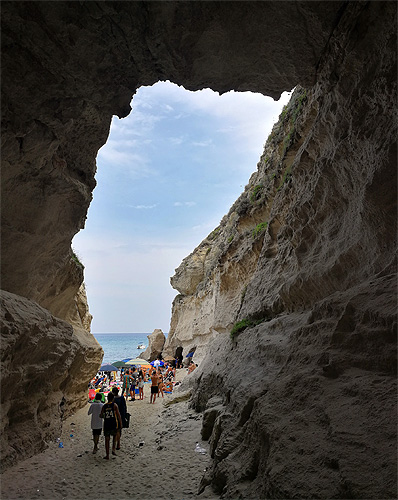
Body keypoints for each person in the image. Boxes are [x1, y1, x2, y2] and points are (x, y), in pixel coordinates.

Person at [100, 392, 122, 459]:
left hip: (107, 424)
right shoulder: (114, 405)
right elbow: (118, 415)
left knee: (107, 439)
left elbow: (101, 415)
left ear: (107, 398)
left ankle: (107, 455)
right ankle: (113, 449)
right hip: (113, 424)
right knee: (114, 437)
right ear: (113, 398)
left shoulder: (104, 406)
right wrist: (120, 424)